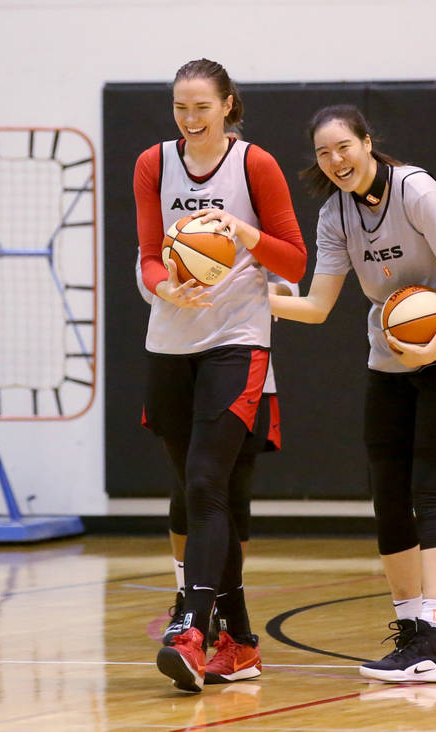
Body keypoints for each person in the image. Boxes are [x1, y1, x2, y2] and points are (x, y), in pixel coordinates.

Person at [270, 104, 436, 684]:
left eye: (343, 146)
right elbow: (318, 307)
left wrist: (435, 343)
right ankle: (411, 632)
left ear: (367, 143)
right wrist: (252, 299)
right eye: (324, 153)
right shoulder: (334, 215)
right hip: (391, 360)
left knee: (432, 495)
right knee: (388, 496)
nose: (335, 160)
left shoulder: (419, 193)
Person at [134, 58, 306, 692]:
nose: (190, 118)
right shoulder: (153, 164)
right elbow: (150, 256)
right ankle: (237, 640)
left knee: (210, 481)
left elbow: (293, 256)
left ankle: (189, 627)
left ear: (228, 105)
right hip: (171, 341)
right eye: (180, 107)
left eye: (202, 106)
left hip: (237, 340)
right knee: (192, 489)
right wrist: (164, 290)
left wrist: (240, 231)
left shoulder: (254, 165)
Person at [137, 255, 297, 648]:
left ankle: (220, 615)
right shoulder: (171, 209)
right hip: (181, 361)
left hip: (242, 362)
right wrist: (181, 287)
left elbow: (289, 284)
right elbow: (147, 281)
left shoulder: (251, 225)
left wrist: (242, 293)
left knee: (231, 495)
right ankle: (188, 595)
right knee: (188, 488)